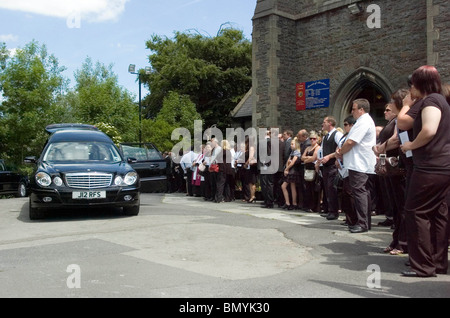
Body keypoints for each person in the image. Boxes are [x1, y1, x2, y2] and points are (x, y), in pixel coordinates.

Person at [399, 65, 450, 277]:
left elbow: (429, 129)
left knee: (415, 212)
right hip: (443, 167)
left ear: (420, 84)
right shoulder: (442, 102)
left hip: (430, 167)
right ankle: (437, 263)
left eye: (413, 85)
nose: (411, 89)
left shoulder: (431, 101)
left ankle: (423, 266)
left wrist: (410, 145)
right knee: (438, 214)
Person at [337, 99, 377, 233]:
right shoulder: (363, 121)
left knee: (359, 192)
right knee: (361, 192)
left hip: (359, 163)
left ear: (361, 110)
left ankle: (362, 223)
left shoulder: (364, 121)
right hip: (358, 162)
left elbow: (350, 142)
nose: (352, 111)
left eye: (354, 109)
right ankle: (364, 222)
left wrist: (341, 152)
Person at [317, 116, 343, 220]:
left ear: (330, 123)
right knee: (328, 189)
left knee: (332, 188)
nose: (322, 124)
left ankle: (334, 212)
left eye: (324, 122)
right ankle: (329, 209)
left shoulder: (337, 134)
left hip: (333, 166)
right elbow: (322, 150)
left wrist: (330, 157)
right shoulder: (326, 136)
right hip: (326, 166)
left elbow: (341, 148)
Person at [337, 116, 356, 226]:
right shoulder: (345, 136)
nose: (344, 127)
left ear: (352, 125)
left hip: (350, 166)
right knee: (346, 193)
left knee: (350, 193)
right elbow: (339, 146)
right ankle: (349, 218)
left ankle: (353, 218)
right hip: (342, 166)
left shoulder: (353, 135)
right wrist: (336, 155)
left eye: (346, 124)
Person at [301, 131, 320, 212]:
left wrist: (306, 159)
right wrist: (308, 158)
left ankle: (314, 206)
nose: (312, 140)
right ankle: (308, 205)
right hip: (307, 169)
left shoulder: (317, 147)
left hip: (313, 169)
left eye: (314, 139)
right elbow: (302, 157)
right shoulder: (308, 148)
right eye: (311, 138)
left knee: (313, 188)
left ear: (317, 139)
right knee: (307, 188)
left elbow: (314, 158)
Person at [281, 139, 301, 210]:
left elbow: (292, 162)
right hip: (290, 170)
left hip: (293, 171)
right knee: (291, 187)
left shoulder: (297, 152)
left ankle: (291, 203)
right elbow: (288, 161)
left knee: (285, 186)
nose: (291, 145)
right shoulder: (292, 152)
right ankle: (290, 203)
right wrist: (286, 168)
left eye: (292, 144)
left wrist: (287, 169)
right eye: (291, 144)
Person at [259, 129, 275, 208]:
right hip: (267, 164)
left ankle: (269, 201)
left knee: (266, 184)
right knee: (266, 184)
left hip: (266, 165)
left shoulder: (267, 141)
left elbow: (269, 153)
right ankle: (267, 200)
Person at [296, 129, 311, 209]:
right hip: (301, 167)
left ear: (304, 136)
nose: (298, 138)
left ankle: (306, 204)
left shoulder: (307, 144)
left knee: (305, 186)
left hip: (305, 167)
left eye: (299, 136)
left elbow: (302, 157)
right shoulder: (303, 143)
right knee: (302, 186)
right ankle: (302, 203)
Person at [243, 135, 258, 203]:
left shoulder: (251, 148)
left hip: (251, 166)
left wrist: (246, 163)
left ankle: (253, 196)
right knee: (249, 182)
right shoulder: (249, 147)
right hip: (249, 166)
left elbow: (251, 157)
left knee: (252, 182)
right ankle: (251, 196)